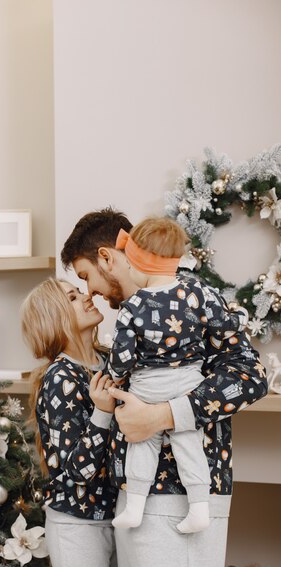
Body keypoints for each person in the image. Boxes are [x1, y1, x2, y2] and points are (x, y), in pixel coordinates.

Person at [61, 207, 267, 567]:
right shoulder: (135, 311)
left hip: (182, 493)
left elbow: (251, 375)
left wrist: (162, 416)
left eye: (86, 276)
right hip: (138, 492)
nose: (93, 291)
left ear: (107, 257)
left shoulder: (196, 297)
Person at [106, 217, 248, 533]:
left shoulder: (133, 306)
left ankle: (135, 506)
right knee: (189, 446)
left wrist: (115, 374)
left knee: (141, 445)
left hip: (147, 386)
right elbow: (224, 326)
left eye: (129, 264)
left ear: (141, 265)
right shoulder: (197, 294)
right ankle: (199, 508)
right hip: (188, 384)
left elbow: (123, 356)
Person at [21, 277, 124, 567]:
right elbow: (78, 470)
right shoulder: (60, 377)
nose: (88, 297)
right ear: (56, 316)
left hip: (117, 514)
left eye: (81, 291)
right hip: (78, 523)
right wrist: (102, 411)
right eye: (74, 296)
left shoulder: (109, 362)